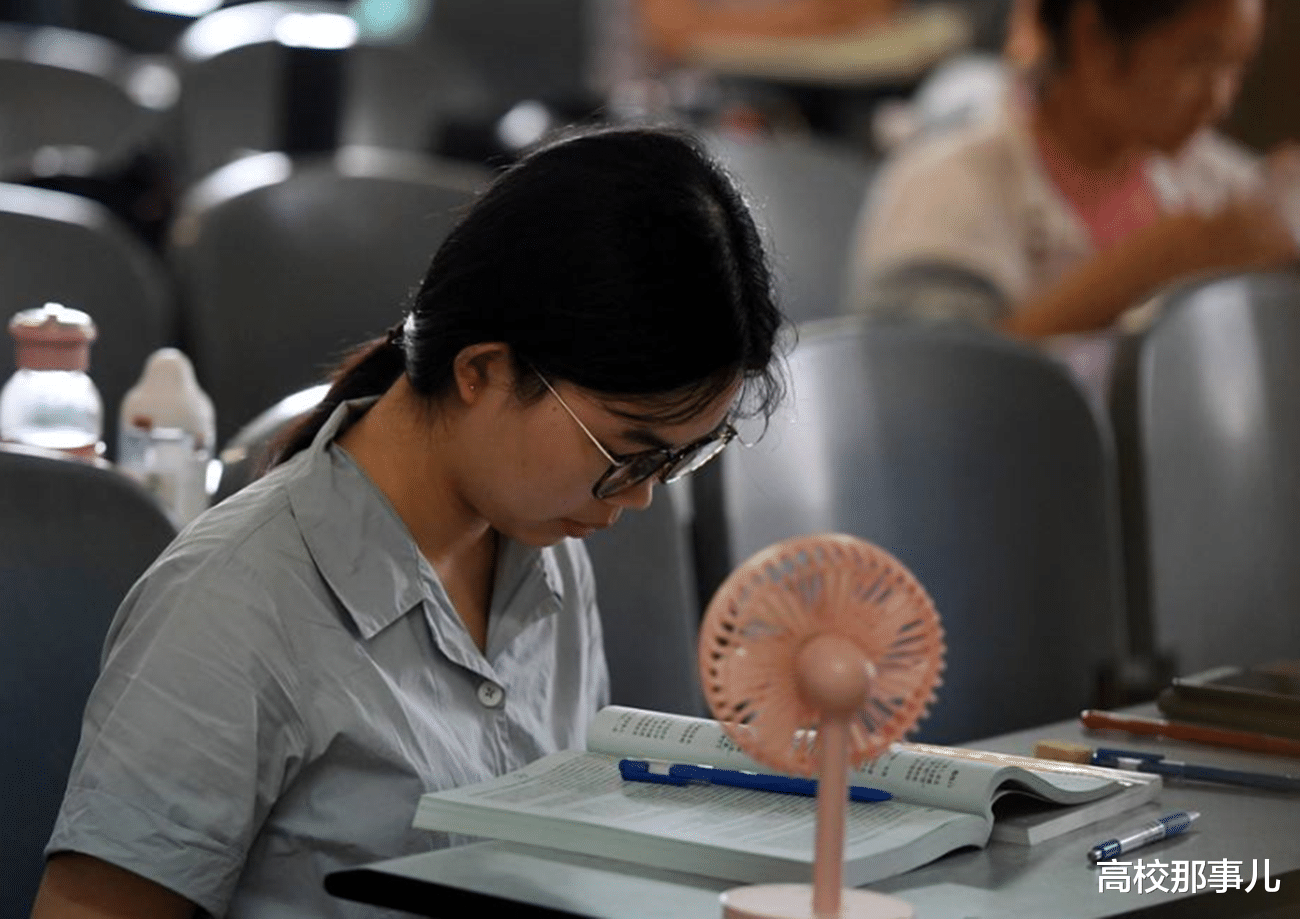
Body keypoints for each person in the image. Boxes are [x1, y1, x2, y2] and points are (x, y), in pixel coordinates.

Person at [31, 125, 785, 919]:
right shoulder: (234, 604)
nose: (638, 498)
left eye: (677, 461)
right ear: (483, 370)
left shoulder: (545, 553)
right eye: (628, 452)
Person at [847, 0, 1300, 338]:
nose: (1221, 100)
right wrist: (1151, 266)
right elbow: (922, 400)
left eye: (1236, 68)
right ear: (1094, 38)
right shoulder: (943, 191)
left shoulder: (1217, 183)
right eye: (1198, 61)